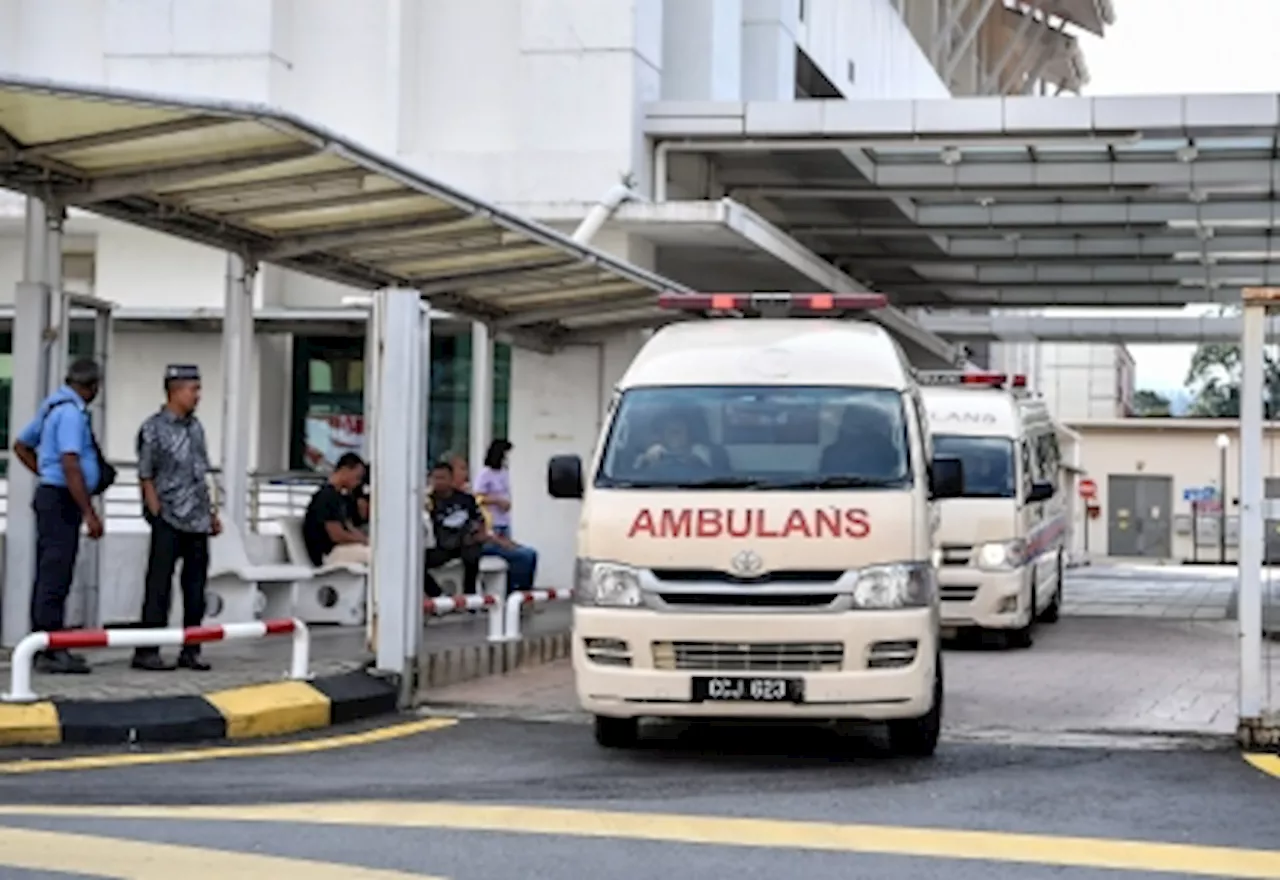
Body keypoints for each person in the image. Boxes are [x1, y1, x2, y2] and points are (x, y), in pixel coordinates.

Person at [12, 358, 107, 674]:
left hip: (52, 496)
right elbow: (70, 464)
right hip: (61, 500)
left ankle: (48, 645)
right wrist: (88, 512)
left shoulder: (52, 406)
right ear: (91, 387)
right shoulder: (70, 414)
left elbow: (21, 445)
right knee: (55, 575)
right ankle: (50, 650)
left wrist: (44, 472)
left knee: (52, 573)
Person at [133, 364, 221, 672]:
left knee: (195, 588)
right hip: (168, 516)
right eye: (192, 389)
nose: (197, 396)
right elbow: (145, 474)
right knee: (159, 586)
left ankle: (191, 649)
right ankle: (147, 651)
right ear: (174, 391)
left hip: (197, 518)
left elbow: (201, 472)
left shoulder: (196, 428)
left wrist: (211, 512)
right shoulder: (153, 428)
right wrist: (155, 510)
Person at [474, 439, 539, 593]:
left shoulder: (504, 473)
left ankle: (521, 591)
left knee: (521, 556)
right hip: (492, 525)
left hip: (504, 523)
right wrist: (496, 501)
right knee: (522, 556)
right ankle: (515, 591)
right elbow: (477, 497)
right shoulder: (485, 474)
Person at [424, 460, 487, 596]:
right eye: (435, 478)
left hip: (466, 542)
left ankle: (470, 596)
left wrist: (476, 533)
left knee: (472, 554)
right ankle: (438, 595)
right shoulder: (428, 501)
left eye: (442, 478)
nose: (438, 482)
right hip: (442, 545)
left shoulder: (466, 499)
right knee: (417, 562)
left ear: (451, 479)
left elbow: (479, 520)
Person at [303, 453, 370, 567]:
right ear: (345, 470)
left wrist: (364, 539)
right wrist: (362, 541)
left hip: (340, 550)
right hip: (329, 553)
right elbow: (337, 535)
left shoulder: (341, 497)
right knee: (377, 555)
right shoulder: (326, 497)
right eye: (357, 477)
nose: (358, 482)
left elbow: (349, 527)